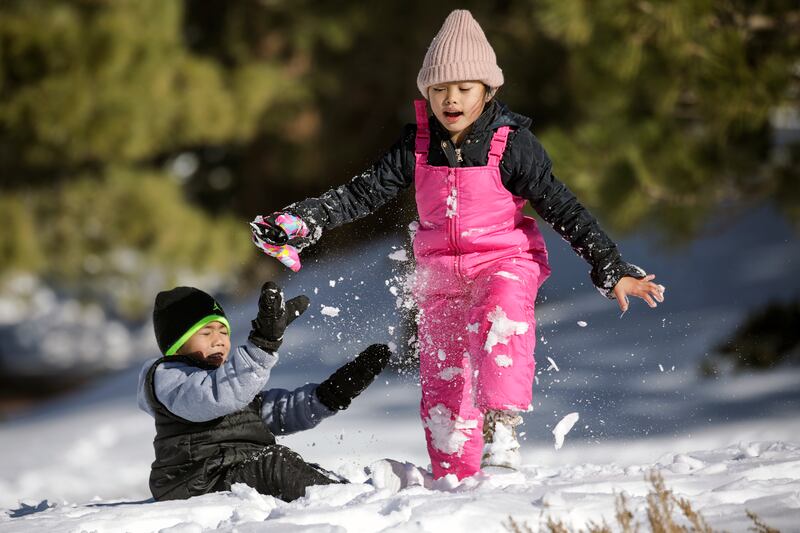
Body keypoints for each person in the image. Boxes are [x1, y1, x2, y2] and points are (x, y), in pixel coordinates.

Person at [250, 10, 665, 480]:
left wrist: (610, 267)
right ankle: (457, 477)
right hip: (440, 277)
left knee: (500, 318)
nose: (451, 100)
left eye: (464, 89)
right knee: (444, 381)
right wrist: (306, 220)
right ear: (426, 93)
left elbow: (563, 207)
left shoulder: (512, 145)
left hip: (505, 262)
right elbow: (361, 193)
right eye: (440, 90)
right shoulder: (417, 146)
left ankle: (503, 426)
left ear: (488, 91)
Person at [136, 281, 390, 501]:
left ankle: (352, 494)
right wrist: (263, 344)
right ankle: (349, 502)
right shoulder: (168, 379)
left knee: (293, 467)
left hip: (230, 471)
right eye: (206, 332)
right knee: (275, 464)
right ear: (177, 345)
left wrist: (332, 393)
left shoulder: (227, 383)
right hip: (195, 480)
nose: (219, 340)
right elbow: (214, 397)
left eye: (224, 331)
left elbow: (278, 412)